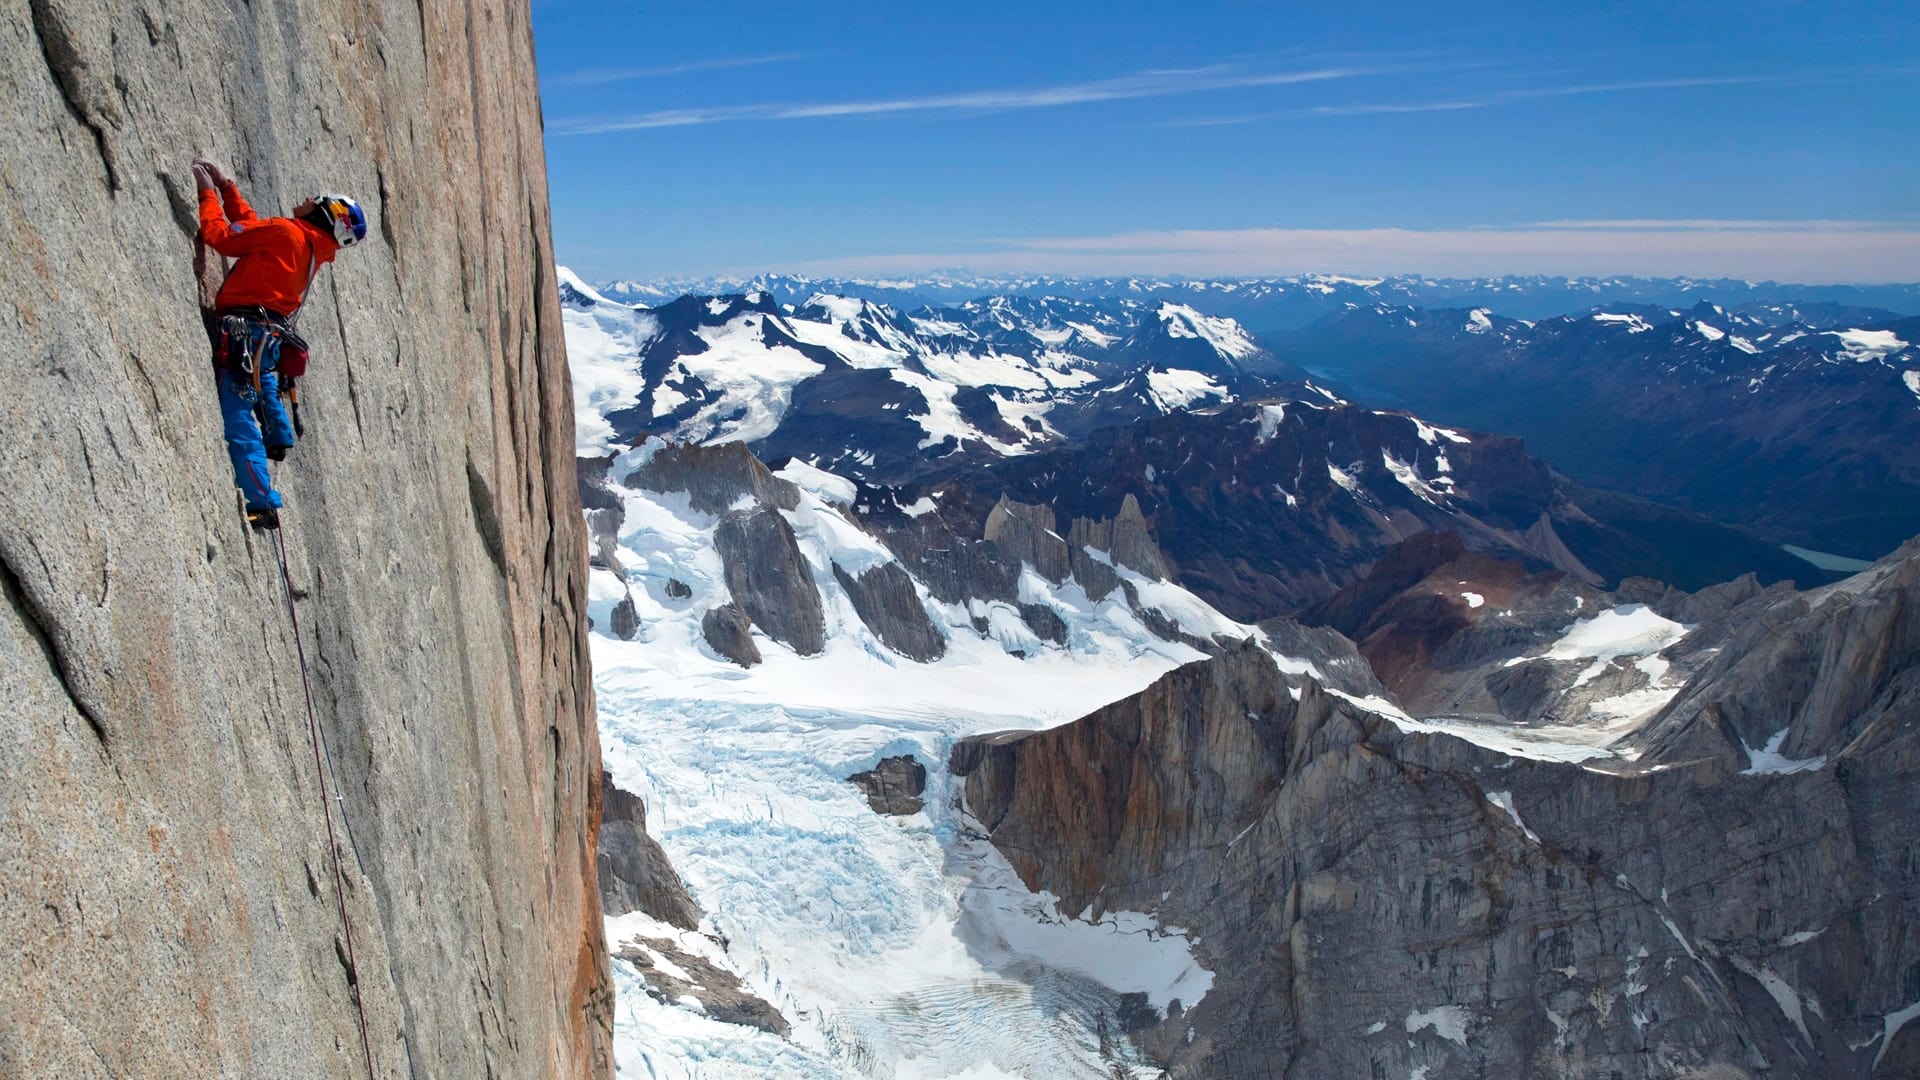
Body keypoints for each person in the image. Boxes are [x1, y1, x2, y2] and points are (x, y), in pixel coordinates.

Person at [193, 158, 367, 529]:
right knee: (261, 383)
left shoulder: (288, 233)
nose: (306, 197)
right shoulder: (309, 248)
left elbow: (223, 238)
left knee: (239, 416)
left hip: (246, 335)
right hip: (265, 337)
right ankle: (278, 432)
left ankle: (262, 502)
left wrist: (207, 194)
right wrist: (227, 189)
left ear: (323, 214)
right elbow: (256, 232)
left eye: (315, 199)